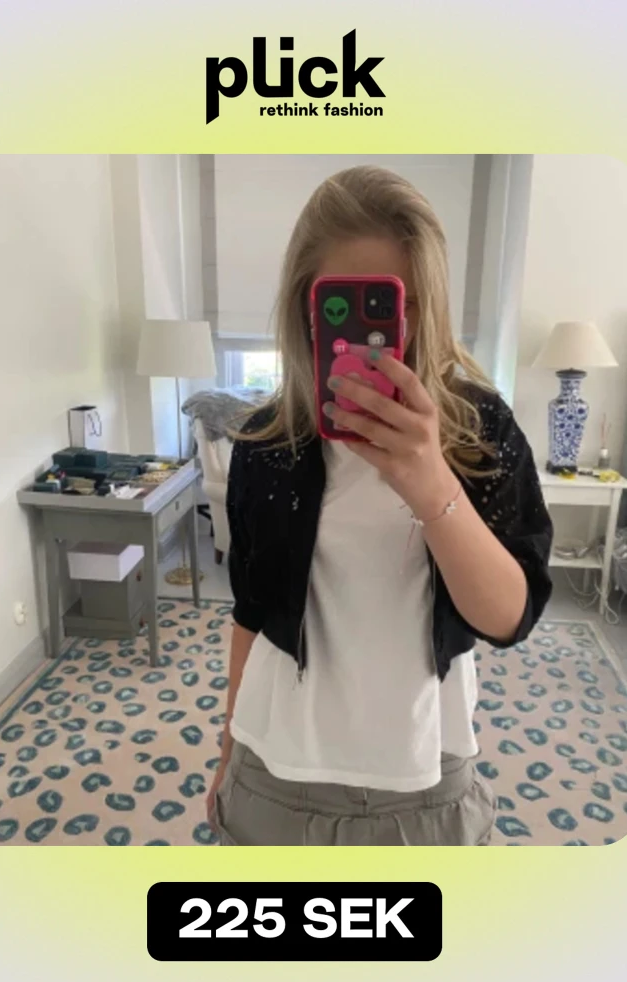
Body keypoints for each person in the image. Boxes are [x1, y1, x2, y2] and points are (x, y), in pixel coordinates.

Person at [206, 165, 553, 846]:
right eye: (342, 303)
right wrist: (225, 752)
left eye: (402, 303)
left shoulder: (479, 430)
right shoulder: (265, 440)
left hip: (426, 774)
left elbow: (510, 618)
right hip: (272, 769)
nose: (384, 331)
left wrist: (432, 483)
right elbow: (250, 612)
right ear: (305, 305)